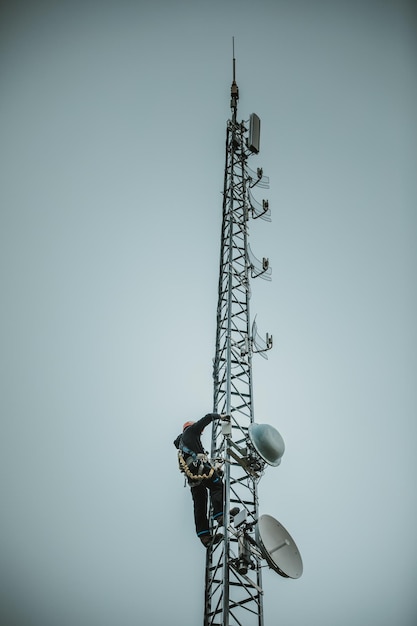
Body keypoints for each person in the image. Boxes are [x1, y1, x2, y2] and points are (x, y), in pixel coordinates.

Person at [173, 412, 239, 547]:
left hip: (192, 475)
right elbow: (208, 417)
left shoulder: (182, 443)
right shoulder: (192, 431)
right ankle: (220, 515)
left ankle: (205, 537)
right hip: (199, 468)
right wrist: (221, 417)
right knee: (217, 485)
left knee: (200, 504)